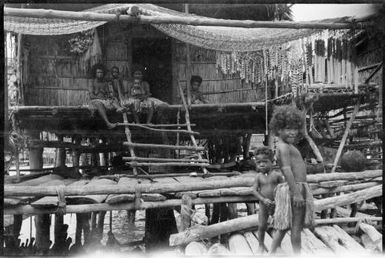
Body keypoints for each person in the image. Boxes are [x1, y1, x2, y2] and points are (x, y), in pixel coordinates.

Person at [268, 105, 315, 254]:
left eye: (295, 128)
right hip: (295, 188)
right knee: (296, 227)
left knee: (285, 226)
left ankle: (271, 253)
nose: (292, 132)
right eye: (288, 128)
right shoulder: (284, 147)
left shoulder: (286, 145)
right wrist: (296, 193)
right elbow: (286, 169)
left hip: (294, 187)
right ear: (278, 129)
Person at [251, 147, 284, 253]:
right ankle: (260, 246)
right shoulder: (258, 177)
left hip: (277, 205)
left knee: (278, 226)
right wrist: (263, 199)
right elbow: (254, 191)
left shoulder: (277, 175)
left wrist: (278, 200)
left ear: (272, 162)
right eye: (258, 162)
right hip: (263, 205)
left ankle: (277, 246)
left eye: (264, 162)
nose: (261, 164)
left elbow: (284, 189)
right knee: (261, 226)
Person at [88, 64, 122, 129]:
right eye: (98, 72)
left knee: (113, 99)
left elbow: (108, 94)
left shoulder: (105, 83)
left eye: (101, 72)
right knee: (99, 103)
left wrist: (108, 96)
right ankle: (108, 123)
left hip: (104, 100)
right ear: (95, 73)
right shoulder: (92, 82)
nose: (100, 74)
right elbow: (91, 96)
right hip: (95, 101)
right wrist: (101, 97)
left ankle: (119, 108)